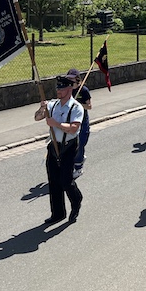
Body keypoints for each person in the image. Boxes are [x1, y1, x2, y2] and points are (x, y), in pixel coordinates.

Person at [35, 75, 84, 224]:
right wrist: (42, 108)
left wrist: (56, 124)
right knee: (53, 180)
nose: (58, 91)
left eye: (61, 88)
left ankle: (76, 200)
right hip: (53, 146)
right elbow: (37, 117)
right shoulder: (53, 105)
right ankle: (58, 213)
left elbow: (74, 128)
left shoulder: (76, 107)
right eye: (57, 88)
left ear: (69, 89)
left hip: (69, 146)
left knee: (66, 180)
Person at [66, 67, 91, 179]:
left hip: (82, 121)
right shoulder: (67, 90)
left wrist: (77, 104)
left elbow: (89, 106)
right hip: (71, 120)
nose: (70, 81)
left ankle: (79, 168)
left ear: (77, 79)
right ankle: (78, 159)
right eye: (68, 79)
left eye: (72, 79)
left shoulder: (84, 90)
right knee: (73, 144)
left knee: (81, 142)